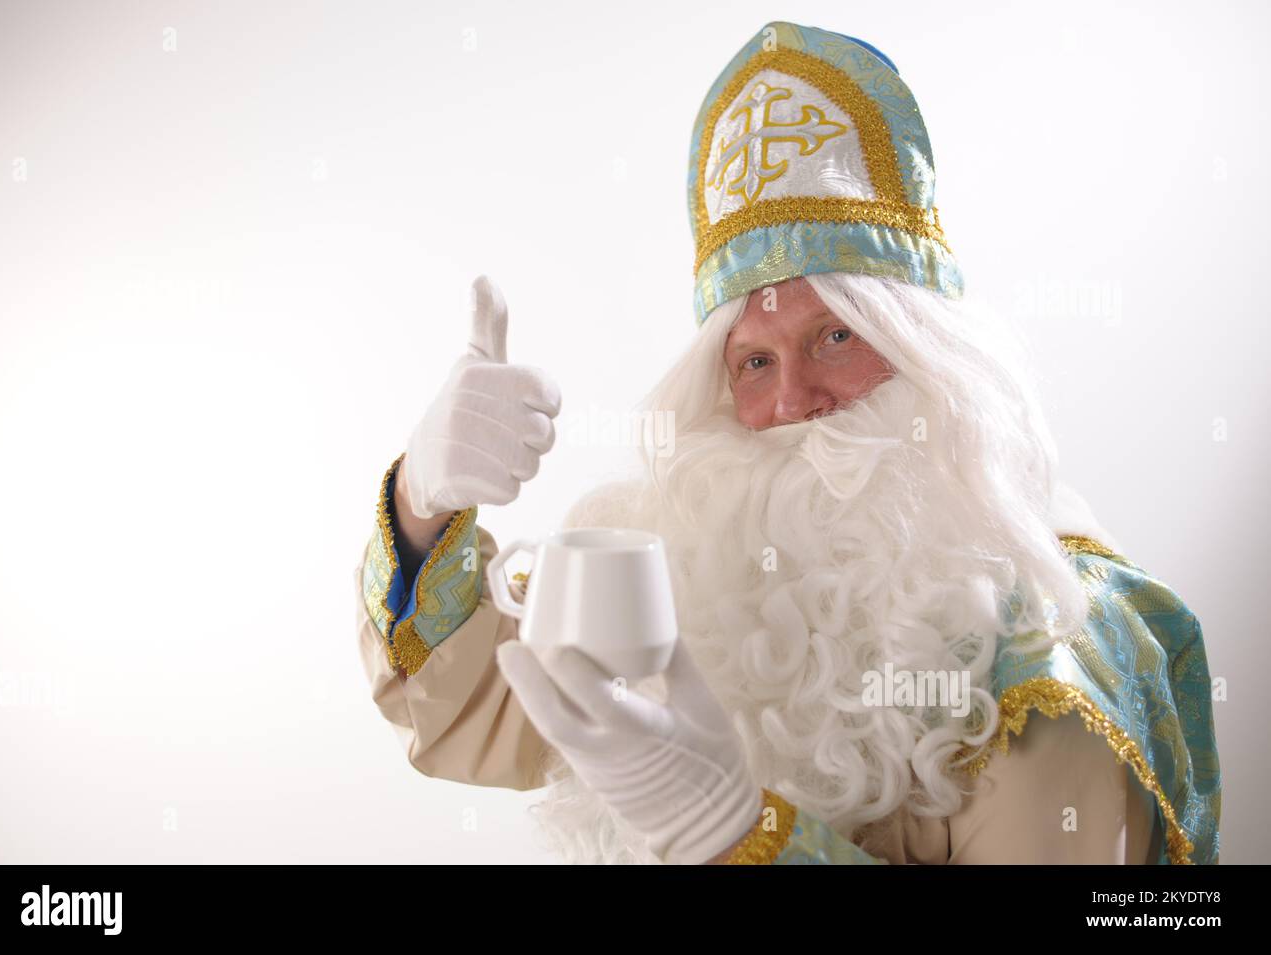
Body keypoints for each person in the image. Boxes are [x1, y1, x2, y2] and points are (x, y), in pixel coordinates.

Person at [354, 20, 1220, 865]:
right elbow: (465, 711)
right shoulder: (695, 564)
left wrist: (738, 835)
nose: (793, 400)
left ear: (927, 353)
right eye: (754, 360)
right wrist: (424, 504)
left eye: (836, 336)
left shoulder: (1055, 647)